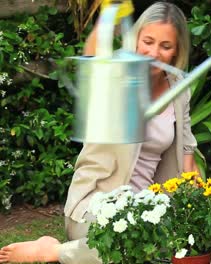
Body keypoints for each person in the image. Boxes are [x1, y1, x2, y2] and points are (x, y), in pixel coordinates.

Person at [0, 1, 198, 263]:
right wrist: (109, 16)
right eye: (147, 41)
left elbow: (186, 152)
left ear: (176, 51)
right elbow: (93, 57)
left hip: (149, 208)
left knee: (176, 245)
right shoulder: (118, 73)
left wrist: (196, 207)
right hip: (97, 203)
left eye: (165, 46)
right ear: (136, 39)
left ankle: (83, 250)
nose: (154, 53)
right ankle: (52, 250)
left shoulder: (179, 88)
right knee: (126, 247)